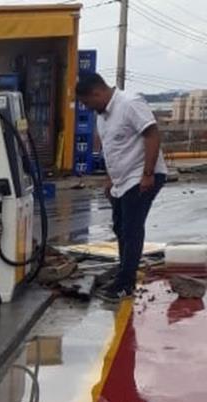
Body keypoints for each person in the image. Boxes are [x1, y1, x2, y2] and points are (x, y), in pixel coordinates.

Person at [76, 73, 167, 303]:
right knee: (120, 227)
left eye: (87, 102)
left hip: (141, 176)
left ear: (97, 92)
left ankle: (125, 284)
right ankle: (123, 274)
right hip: (121, 181)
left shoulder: (129, 104)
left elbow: (152, 134)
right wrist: (110, 179)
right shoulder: (103, 116)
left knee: (131, 229)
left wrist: (147, 174)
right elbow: (112, 149)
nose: (87, 107)